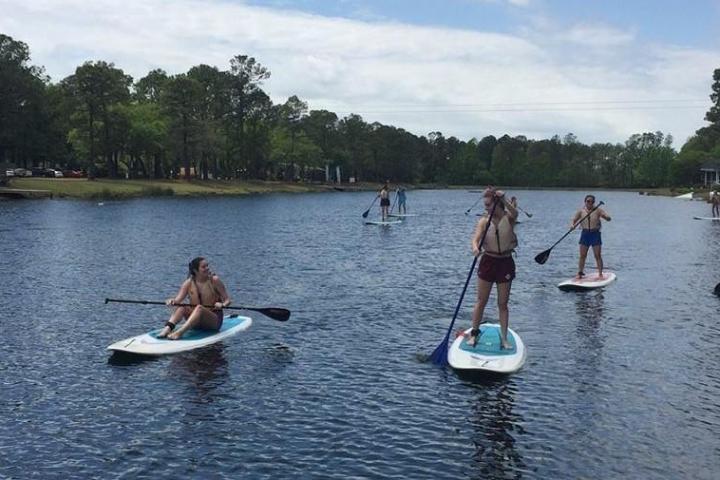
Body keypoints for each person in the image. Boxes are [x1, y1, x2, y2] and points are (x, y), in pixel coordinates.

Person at [468, 187, 518, 350]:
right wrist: (475, 248)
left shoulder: (508, 218)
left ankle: (504, 338)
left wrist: (504, 199)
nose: (486, 208)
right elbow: (475, 238)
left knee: (502, 303)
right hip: (488, 261)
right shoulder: (484, 221)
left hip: (505, 262)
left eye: (489, 205)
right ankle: (474, 334)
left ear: (496, 204)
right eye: (485, 205)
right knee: (481, 301)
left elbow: (515, 213)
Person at [158, 257, 232, 340]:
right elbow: (177, 301)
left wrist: (222, 304)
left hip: (213, 321)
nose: (207, 268)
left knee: (199, 308)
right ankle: (167, 328)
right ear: (195, 270)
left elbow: (228, 300)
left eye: (207, 266)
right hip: (196, 321)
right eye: (203, 267)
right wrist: (171, 301)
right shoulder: (188, 283)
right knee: (182, 306)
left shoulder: (214, 280)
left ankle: (179, 333)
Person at [571, 195, 611, 279]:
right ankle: (580, 273)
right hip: (585, 234)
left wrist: (607, 217)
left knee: (597, 255)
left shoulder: (598, 210)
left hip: (595, 234)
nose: (590, 203)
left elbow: (607, 216)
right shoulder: (581, 211)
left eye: (592, 201)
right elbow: (574, 220)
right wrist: (572, 225)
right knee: (582, 255)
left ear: (594, 202)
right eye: (588, 201)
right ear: (585, 202)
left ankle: (600, 274)